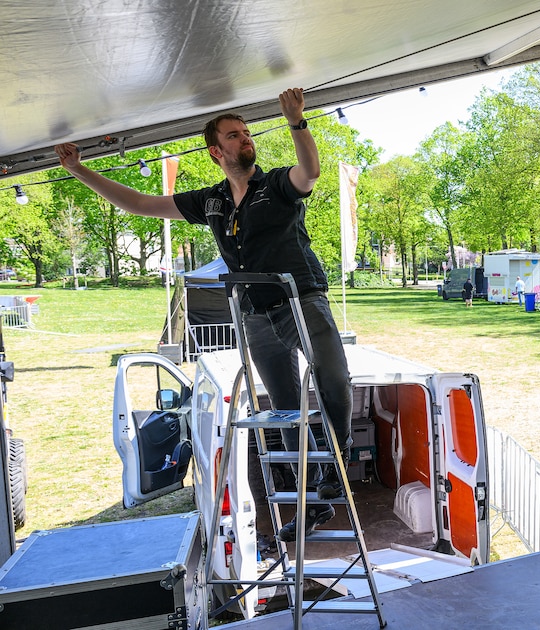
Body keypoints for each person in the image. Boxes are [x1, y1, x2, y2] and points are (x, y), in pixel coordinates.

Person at [55, 88, 351, 543]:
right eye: (235, 135)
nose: (246, 139)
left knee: (333, 375)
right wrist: (78, 170)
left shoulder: (274, 186)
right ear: (216, 151)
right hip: (255, 313)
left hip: (300, 300)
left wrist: (297, 121)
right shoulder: (211, 201)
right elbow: (139, 204)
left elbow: (309, 171)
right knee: (285, 409)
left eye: (248, 132)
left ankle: (339, 460)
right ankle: (312, 500)